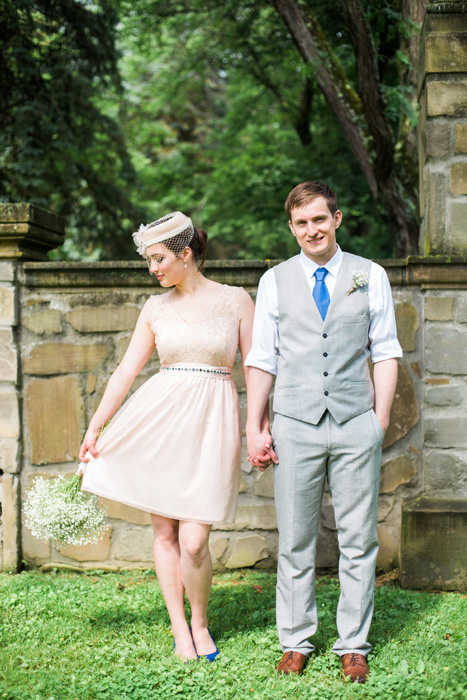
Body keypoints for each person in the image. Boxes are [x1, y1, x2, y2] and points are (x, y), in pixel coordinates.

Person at [79, 211, 256, 662]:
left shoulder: (236, 300)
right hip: (161, 421)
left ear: (186, 253)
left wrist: (258, 425)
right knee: (165, 533)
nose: (153, 269)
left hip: (213, 422)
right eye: (149, 261)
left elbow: (254, 371)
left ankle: (200, 620)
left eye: (158, 259)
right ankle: (181, 629)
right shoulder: (155, 308)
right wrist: (96, 425)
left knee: (195, 539)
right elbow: (125, 371)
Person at [245, 181, 402, 682]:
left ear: (336, 218)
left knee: (358, 539)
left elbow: (386, 350)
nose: (311, 229)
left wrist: (377, 423)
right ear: (291, 227)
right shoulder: (274, 281)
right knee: (295, 539)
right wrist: (256, 425)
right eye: (300, 222)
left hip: (357, 422)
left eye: (318, 219)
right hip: (295, 423)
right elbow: (262, 357)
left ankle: (353, 643)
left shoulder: (369, 275)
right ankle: (295, 639)